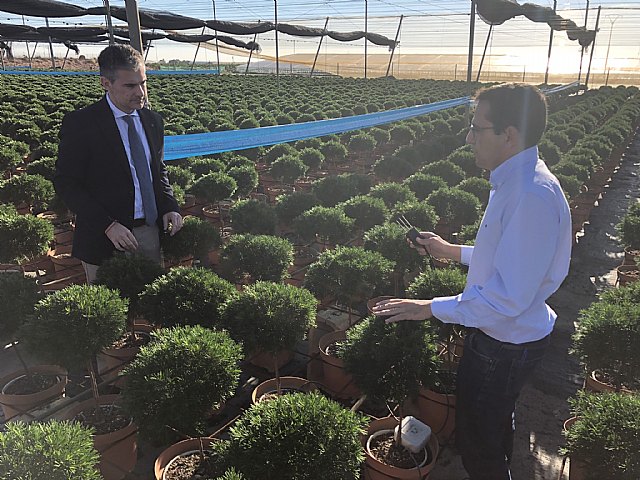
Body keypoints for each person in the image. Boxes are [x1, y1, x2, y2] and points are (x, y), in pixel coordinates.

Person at [372, 83, 572, 480]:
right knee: (493, 427)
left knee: (479, 449)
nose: (468, 138)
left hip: (503, 346)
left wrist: (426, 308)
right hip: (508, 341)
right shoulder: (517, 181)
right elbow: (508, 258)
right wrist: (450, 251)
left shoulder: (529, 195)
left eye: (476, 128)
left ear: (508, 135)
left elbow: (506, 298)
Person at [54, 44, 183, 283]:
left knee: (150, 305)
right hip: (104, 238)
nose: (141, 92)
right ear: (106, 83)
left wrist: (170, 206)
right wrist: (108, 225)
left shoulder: (153, 121)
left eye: (143, 82)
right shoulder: (82, 124)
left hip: (148, 233)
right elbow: (66, 184)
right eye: (130, 86)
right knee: (113, 313)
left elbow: (157, 171)